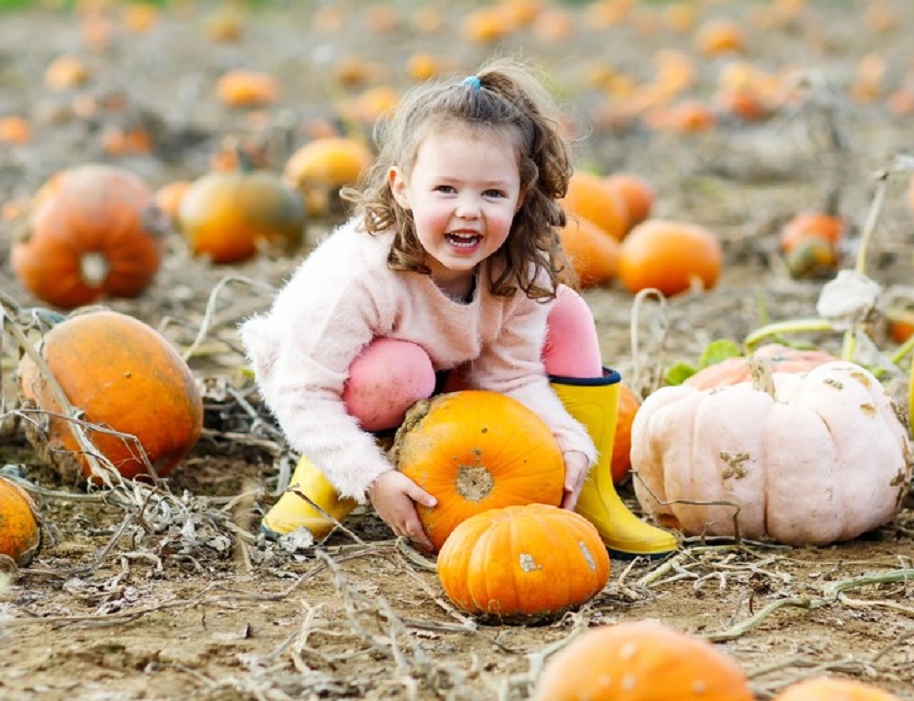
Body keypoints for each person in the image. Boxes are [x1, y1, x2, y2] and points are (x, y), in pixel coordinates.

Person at [242, 59, 676, 557]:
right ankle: (323, 479)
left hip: (444, 368)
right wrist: (372, 479)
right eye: (445, 189)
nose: (468, 209)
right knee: (397, 370)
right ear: (403, 188)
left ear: (520, 198)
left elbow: (510, 377)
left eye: (492, 193)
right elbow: (304, 392)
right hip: (329, 381)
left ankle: (589, 491)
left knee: (565, 309)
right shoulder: (359, 277)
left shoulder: (516, 270)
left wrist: (567, 440)